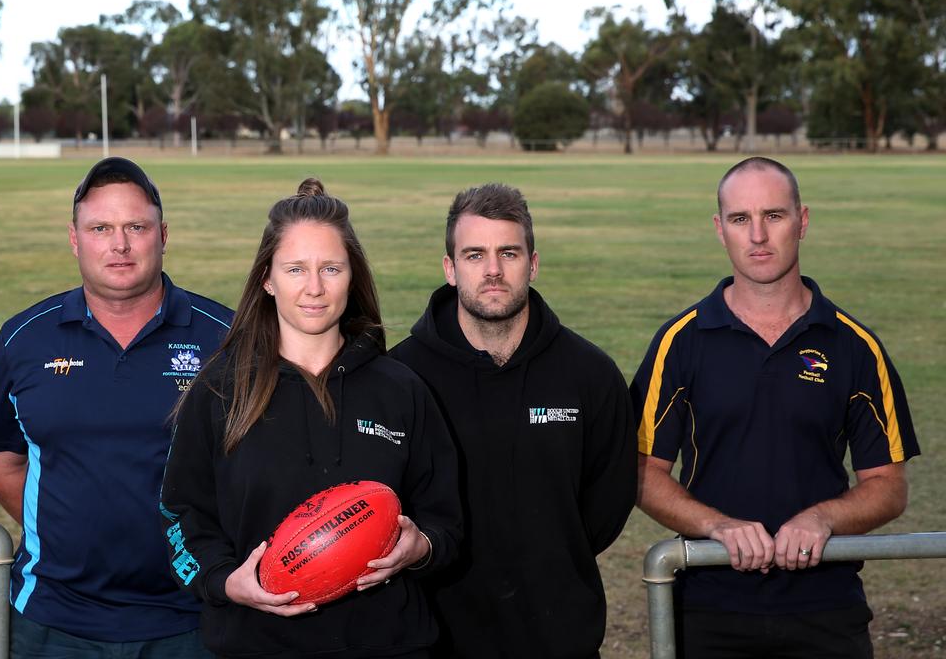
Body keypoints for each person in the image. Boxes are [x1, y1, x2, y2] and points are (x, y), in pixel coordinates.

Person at [160, 178, 463, 658]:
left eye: (331, 268)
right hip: (255, 645)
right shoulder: (220, 388)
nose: (315, 288)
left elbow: (447, 519)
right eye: (295, 268)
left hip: (388, 645)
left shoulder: (400, 390)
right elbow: (180, 513)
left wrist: (419, 546)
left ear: (352, 276)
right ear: (267, 279)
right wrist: (224, 581)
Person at [633, 156, 919, 658]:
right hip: (709, 604)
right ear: (720, 230)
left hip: (827, 606)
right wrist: (718, 527)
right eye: (741, 219)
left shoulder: (855, 347)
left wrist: (823, 519)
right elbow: (641, 472)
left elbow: (888, 487)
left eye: (775, 215)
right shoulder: (680, 342)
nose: (758, 236)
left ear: (802, 221)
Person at [0, 156, 232, 657]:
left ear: (163, 234)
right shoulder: (23, 340)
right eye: (101, 228)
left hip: (194, 617)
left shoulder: (225, 337)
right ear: (75, 239)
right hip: (54, 620)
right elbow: (0, 456)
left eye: (136, 226)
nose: (119, 244)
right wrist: (57, 528)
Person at [387, 183, 636, 658]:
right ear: (450, 268)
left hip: (560, 637)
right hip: (436, 640)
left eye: (509, 253)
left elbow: (607, 501)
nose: (494, 270)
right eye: (475, 254)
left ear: (534, 263)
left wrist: (550, 551)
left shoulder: (590, 373)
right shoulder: (402, 377)